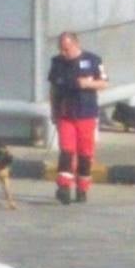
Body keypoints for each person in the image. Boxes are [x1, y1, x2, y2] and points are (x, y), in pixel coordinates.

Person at [48, 32, 109, 204]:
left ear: (76, 44)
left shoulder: (93, 60)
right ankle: (64, 187)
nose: (63, 53)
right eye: (61, 49)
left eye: (66, 49)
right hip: (66, 113)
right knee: (67, 150)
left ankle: (82, 187)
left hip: (86, 113)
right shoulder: (57, 62)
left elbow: (104, 83)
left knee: (85, 154)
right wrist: (54, 111)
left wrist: (88, 84)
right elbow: (53, 90)